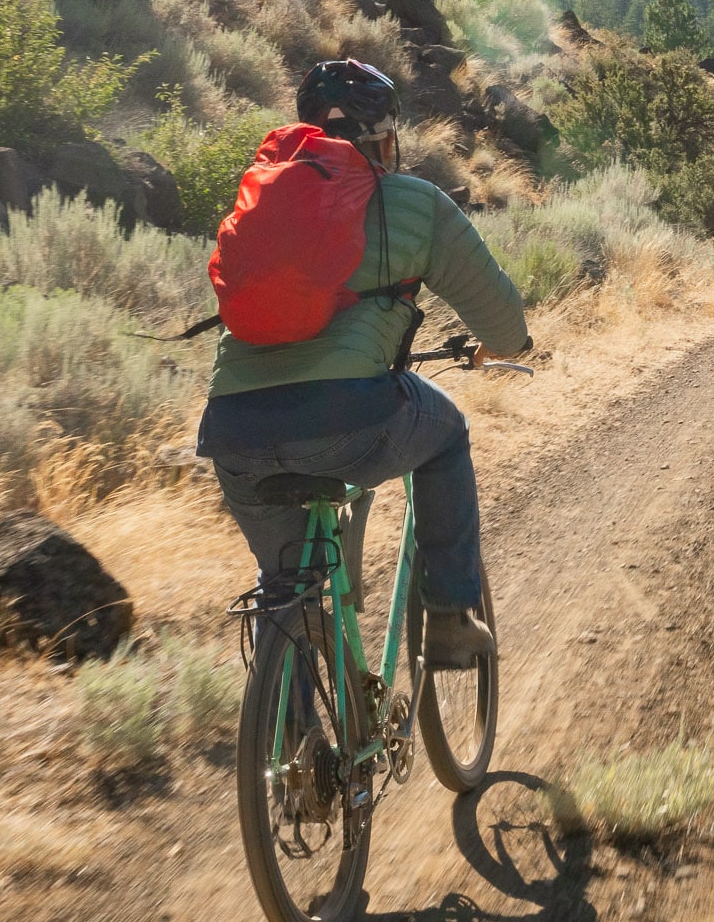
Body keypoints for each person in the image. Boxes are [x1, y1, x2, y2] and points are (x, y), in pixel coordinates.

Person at [196, 60, 530, 667]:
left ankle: (288, 714)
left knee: (287, 591)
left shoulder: (269, 200)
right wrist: (501, 345)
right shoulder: (415, 202)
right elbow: (505, 323)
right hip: (348, 419)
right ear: (387, 138)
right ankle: (450, 619)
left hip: (232, 430)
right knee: (447, 433)